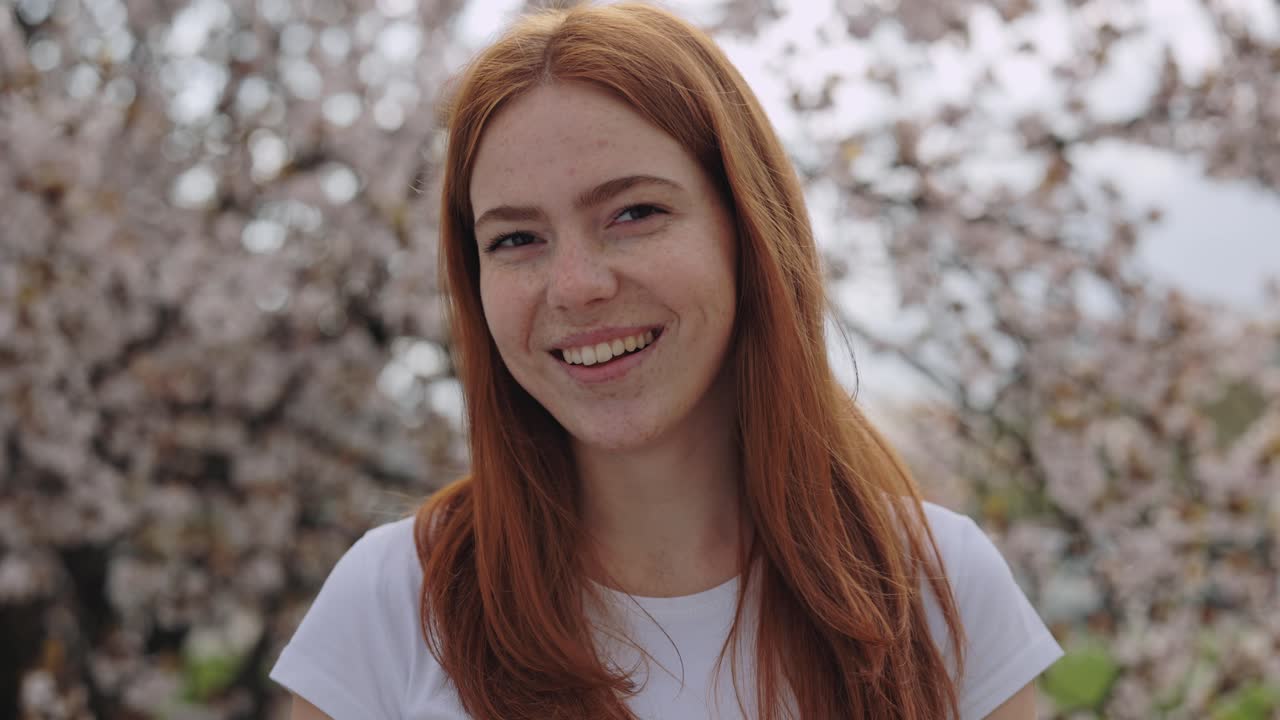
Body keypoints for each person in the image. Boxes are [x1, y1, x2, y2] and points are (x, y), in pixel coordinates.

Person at [269, 3, 1063, 719]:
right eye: (515, 239)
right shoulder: (394, 605)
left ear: (746, 232)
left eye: (635, 212)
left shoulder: (934, 587)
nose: (576, 286)